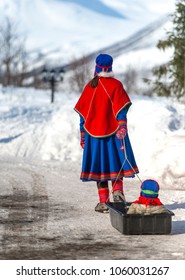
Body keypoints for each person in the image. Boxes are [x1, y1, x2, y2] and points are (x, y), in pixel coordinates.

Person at [74, 54, 139, 213]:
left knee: (99, 168)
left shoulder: (90, 86)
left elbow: (83, 115)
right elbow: (121, 110)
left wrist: (83, 135)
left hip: (93, 136)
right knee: (116, 164)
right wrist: (122, 125)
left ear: (96, 67)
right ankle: (118, 194)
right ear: (110, 67)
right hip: (114, 133)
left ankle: (103, 202)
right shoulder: (116, 85)